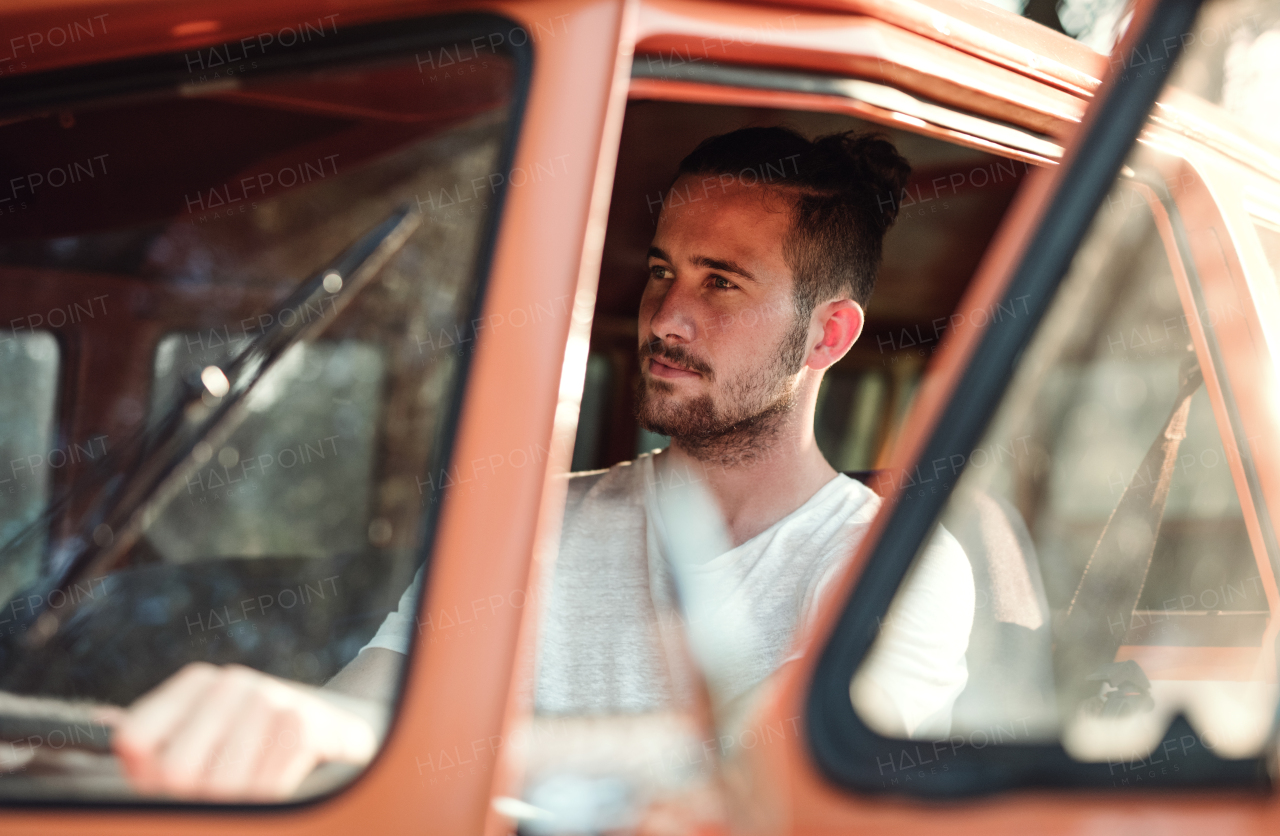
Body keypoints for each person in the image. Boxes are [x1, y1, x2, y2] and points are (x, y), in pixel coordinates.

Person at [110, 126, 975, 799]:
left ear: (827, 334)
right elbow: (375, 698)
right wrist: (274, 723)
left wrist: (397, 745)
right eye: (663, 271)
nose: (665, 318)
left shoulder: (899, 567)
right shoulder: (534, 519)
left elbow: (763, 764)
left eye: (722, 283)